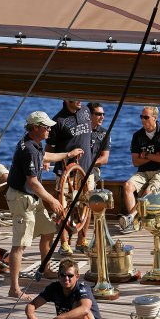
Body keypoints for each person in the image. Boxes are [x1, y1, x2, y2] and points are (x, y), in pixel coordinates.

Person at [6, 111, 84, 300]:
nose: (50, 129)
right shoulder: (29, 150)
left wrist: (68, 154)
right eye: (46, 127)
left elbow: (46, 156)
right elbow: (33, 182)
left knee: (48, 230)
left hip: (32, 198)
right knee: (20, 246)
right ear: (35, 128)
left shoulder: (34, 144)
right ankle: (14, 288)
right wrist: (53, 200)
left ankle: (46, 268)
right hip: (22, 199)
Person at [45, 100, 94, 256]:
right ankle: (64, 243)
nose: (79, 100)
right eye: (75, 97)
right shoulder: (57, 121)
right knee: (62, 209)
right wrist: (46, 161)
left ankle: (82, 241)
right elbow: (50, 146)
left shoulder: (86, 110)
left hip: (86, 169)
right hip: (65, 171)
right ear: (66, 99)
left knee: (86, 207)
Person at [119, 105, 160, 234]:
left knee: (148, 192)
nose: (143, 120)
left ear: (154, 118)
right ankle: (133, 222)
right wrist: (156, 156)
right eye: (141, 117)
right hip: (143, 172)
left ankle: (131, 218)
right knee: (127, 186)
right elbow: (135, 161)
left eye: (146, 117)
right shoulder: (137, 136)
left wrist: (146, 155)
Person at [25, 257, 104, 319]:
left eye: (70, 275)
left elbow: (84, 309)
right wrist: (31, 316)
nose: (66, 278)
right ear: (58, 276)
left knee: (78, 307)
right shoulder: (54, 287)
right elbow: (32, 304)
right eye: (63, 275)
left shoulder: (83, 288)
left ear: (77, 276)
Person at [87, 102, 111, 184]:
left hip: (93, 169)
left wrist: (89, 164)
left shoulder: (104, 133)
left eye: (103, 114)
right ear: (89, 115)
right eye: (99, 114)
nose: (102, 117)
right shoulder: (80, 130)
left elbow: (105, 158)